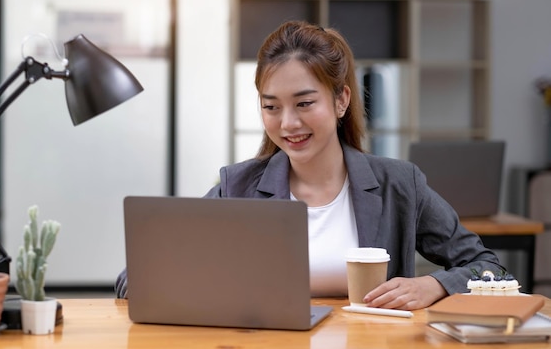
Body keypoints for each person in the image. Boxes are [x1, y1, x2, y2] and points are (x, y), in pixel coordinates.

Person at [116, 20, 504, 309]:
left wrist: (432, 285)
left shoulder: (399, 183)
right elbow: (131, 279)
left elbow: (490, 268)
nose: (287, 123)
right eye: (271, 107)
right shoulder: (239, 186)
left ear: (340, 101)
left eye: (304, 103)